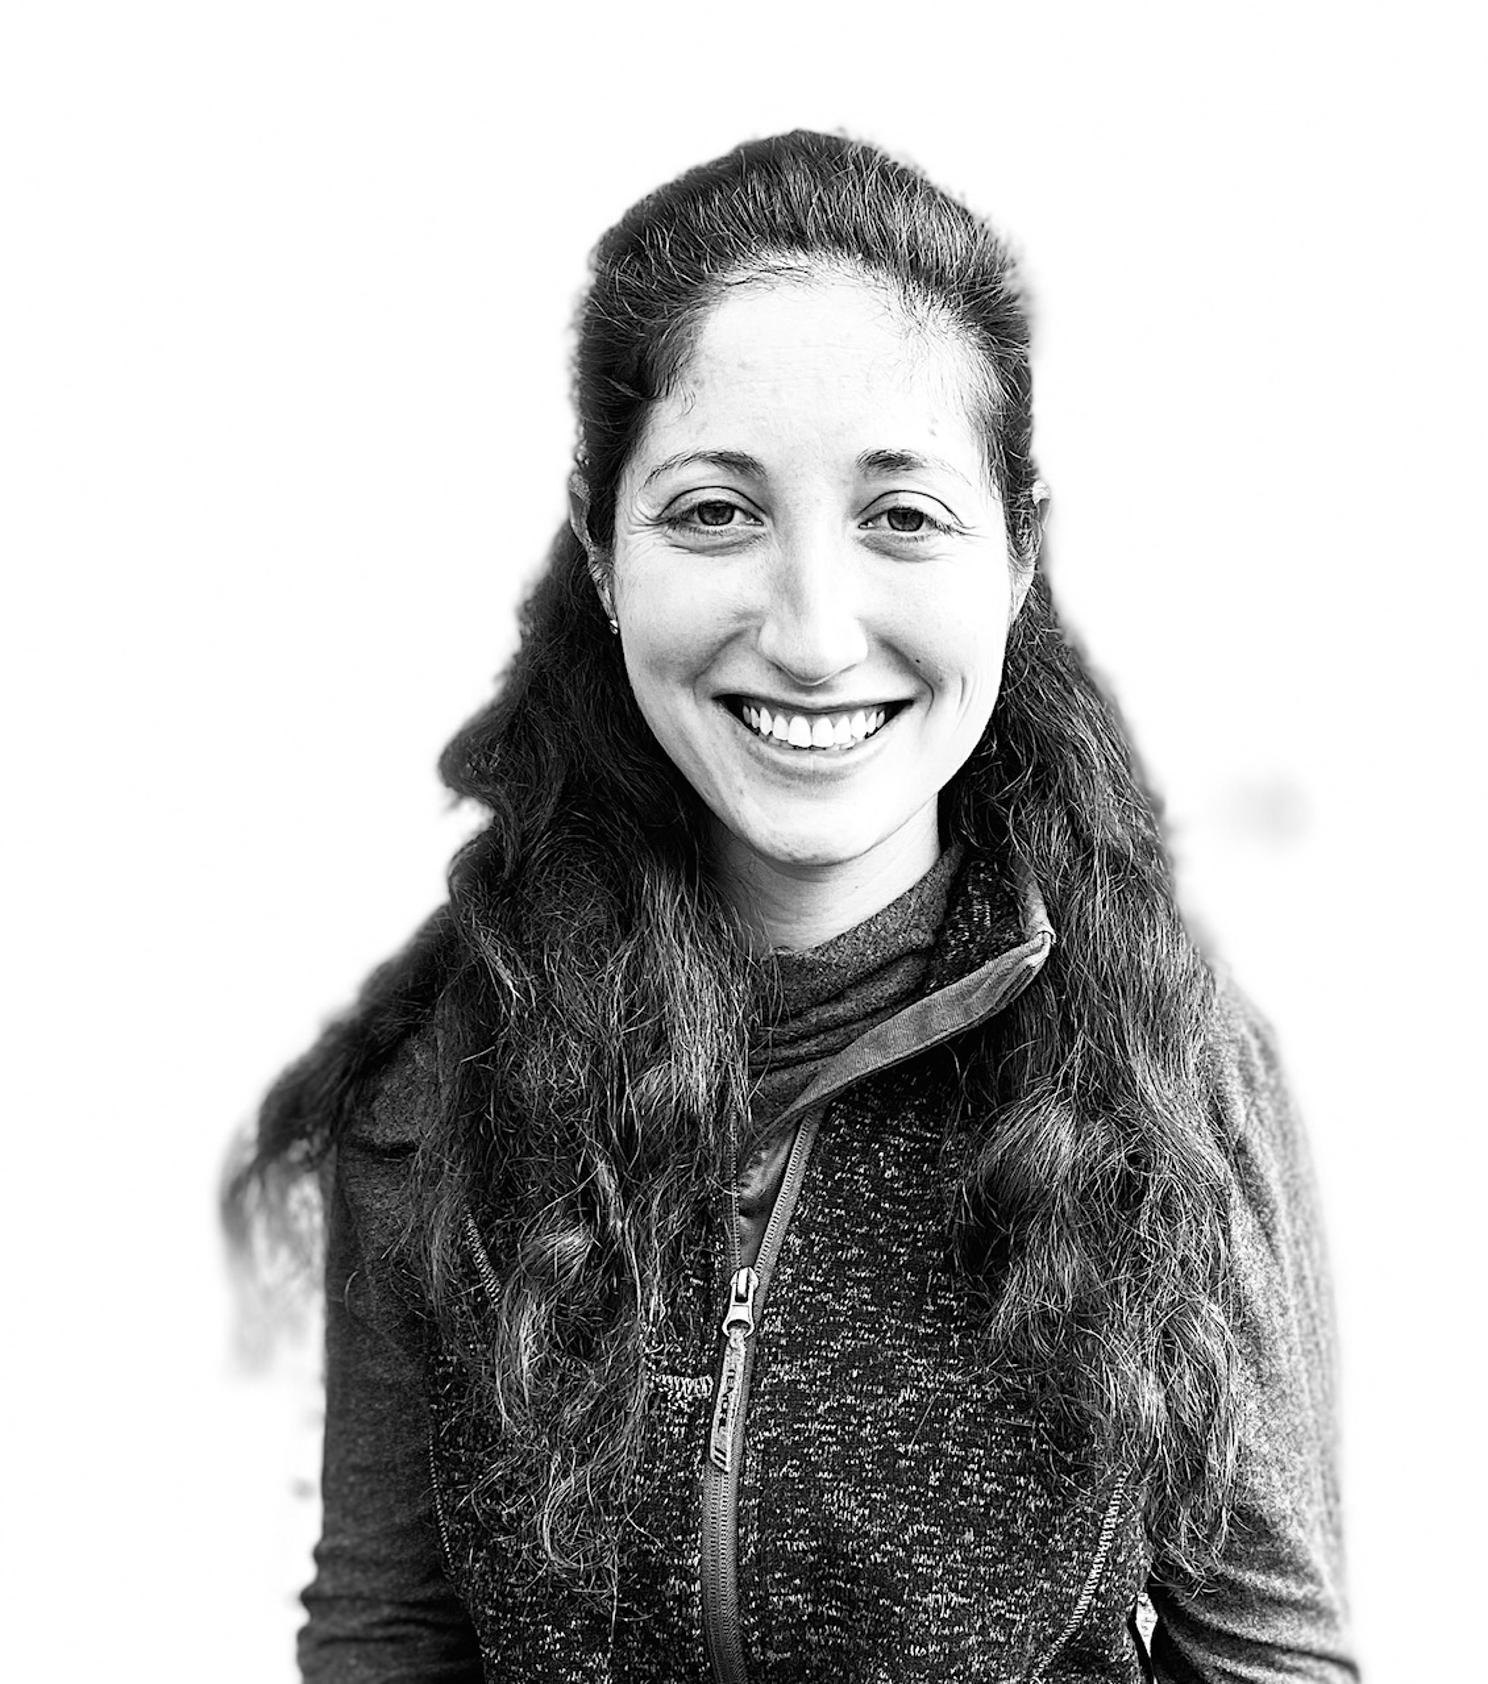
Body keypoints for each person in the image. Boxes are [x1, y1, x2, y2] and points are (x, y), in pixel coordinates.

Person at [231, 129, 1358, 1682]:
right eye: (715, 512)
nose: (816, 635)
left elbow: (1270, 1665)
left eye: (902, 515)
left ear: (1017, 554)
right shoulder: (446, 1074)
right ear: (602, 548)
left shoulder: (1165, 1075)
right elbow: (386, 1643)